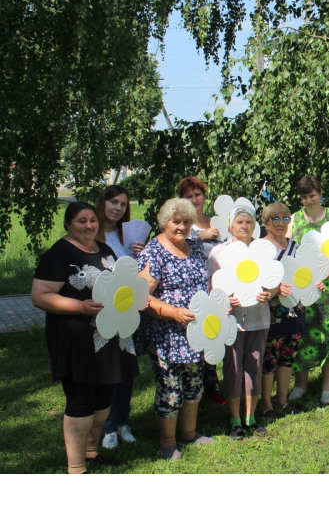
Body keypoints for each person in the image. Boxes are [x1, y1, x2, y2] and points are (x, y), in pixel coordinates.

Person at [31, 202, 137, 473]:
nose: (89, 225)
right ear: (68, 224)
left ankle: (92, 451)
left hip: (109, 338)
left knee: (103, 403)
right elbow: (40, 295)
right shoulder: (59, 253)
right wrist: (79, 306)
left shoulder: (104, 249)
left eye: (92, 220)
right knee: (80, 403)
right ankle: (76, 469)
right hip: (76, 340)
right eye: (81, 221)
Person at [137, 198, 215, 460]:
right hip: (167, 335)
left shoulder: (194, 246)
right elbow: (142, 297)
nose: (182, 227)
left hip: (196, 332)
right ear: (164, 223)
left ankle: (189, 434)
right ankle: (167, 443)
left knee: (194, 387)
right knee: (171, 391)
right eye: (176, 222)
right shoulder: (153, 252)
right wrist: (172, 312)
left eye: (187, 222)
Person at [207, 205, 271, 439]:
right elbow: (212, 286)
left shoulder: (264, 250)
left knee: (254, 367)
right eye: (239, 222)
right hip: (230, 320)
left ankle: (251, 418)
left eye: (248, 222)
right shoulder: (218, 253)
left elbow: (273, 280)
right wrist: (226, 297)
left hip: (259, 317)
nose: (244, 226)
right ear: (230, 226)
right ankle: (235, 420)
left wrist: (270, 294)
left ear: (255, 225)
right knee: (233, 369)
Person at [287, 175, 329, 406]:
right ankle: (300, 386)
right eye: (304, 197)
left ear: (320, 194)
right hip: (304, 288)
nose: (309, 200)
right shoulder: (294, 220)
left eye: (312, 195)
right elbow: (288, 253)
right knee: (302, 336)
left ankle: (327, 388)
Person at [95, 185, 144, 450]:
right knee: (108, 371)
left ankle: (123, 423)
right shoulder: (93, 234)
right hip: (104, 312)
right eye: (113, 202)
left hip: (128, 310)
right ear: (102, 202)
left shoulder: (128, 236)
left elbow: (135, 273)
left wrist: (139, 252)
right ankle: (108, 427)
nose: (117, 208)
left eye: (123, 204)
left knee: (126, 370)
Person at [177, 176, 225, 406]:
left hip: (220, 286)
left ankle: (212, 385)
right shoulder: (183, 223)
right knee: (199, 336)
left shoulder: (217, 220)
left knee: (215, 333)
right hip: (195, 289)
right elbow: (175, 243)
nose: (194, 199)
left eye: (197, 195)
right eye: (189, 196)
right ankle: (195, 390)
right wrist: (199, 236)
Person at [260, 202, 307, 419]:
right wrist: (276, 289)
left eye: (285, 218)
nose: (281, 223)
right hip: (270, 311)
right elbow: (255, 281)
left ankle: (283, 400)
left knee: (288, 356)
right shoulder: (260, 249)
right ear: (266, 223)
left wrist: (313, 284)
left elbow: (304, 275)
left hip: (295, 309)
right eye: (275, 219)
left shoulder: (295, 247)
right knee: (269, 357)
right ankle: (267, 404)